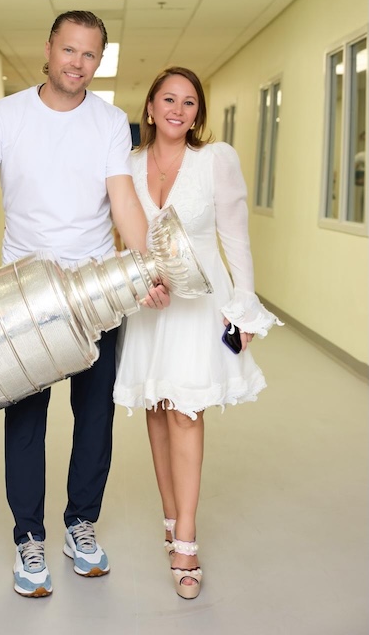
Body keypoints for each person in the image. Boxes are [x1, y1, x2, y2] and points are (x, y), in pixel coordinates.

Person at [0, 11, 169, 598]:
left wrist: (148, 266)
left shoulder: (110, 122)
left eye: (90, 55)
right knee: (26, 416)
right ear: (48, 48)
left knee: (94, 417)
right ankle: (28, 535)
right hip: (23, 297)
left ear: (99, 61)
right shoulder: (6, 116)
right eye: (69, 50)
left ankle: (80, 525)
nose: (77, 63)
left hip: (95, 293)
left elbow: (123, 201)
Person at [113, 66, 281, 600]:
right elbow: (122, 237)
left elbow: (236, 236)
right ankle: (170, 519)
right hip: (149, 304)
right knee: (159, 411)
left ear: (197, 113)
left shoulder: (216, 161)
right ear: (150, 107)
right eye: (169, 99)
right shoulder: (129, 163)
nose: (178, 110)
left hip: (199, 303)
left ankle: (186, 538)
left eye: (189, 103)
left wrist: (244, 306)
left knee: (187, 411)